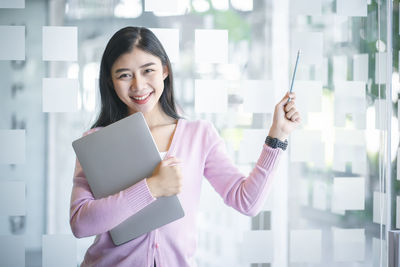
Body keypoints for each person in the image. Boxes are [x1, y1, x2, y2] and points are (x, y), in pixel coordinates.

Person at [69, 26, 301, 267]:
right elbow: (81, 224)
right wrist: (152, 188)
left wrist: (278, 134)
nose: (138, 85)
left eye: (148, 70)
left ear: (165, 70)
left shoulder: (199, 135)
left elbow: (247, 202)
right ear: (110, 80)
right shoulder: (96, 141)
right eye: (124, 75)